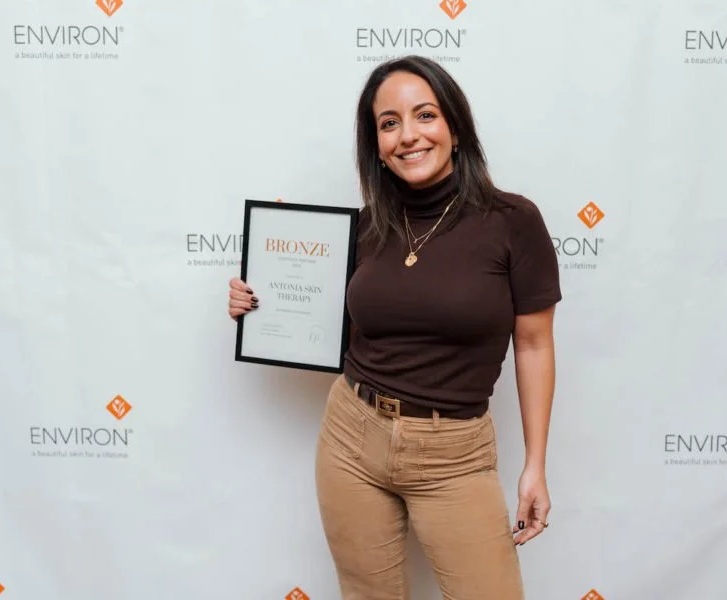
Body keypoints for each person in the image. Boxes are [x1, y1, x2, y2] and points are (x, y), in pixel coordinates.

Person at [228, 55, 561, 600]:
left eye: (424, 115)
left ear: (455, 128)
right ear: (376, 147)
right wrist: (258, 302)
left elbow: (534, 343)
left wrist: (536, 465)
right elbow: (333, 328)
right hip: (351, 437)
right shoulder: (364, 229)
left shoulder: (513, 221)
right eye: (389, 123)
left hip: (454, 453)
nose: (408, 135)